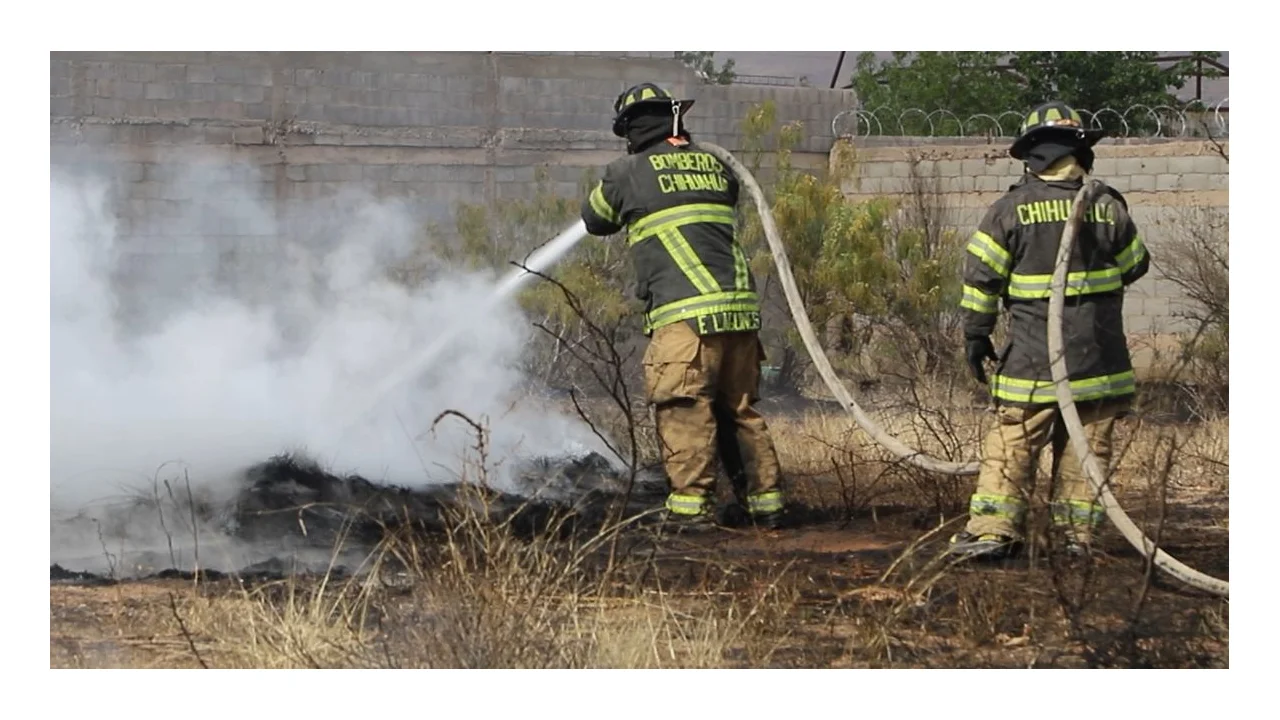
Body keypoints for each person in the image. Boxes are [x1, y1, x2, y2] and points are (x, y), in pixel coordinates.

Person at [949, 101, 1151, 560]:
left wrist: (976, 335)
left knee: (1013, 442)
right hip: (1100, 363)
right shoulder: (1107, 205)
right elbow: (1135, 265)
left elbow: (981, 279)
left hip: (1034, 361)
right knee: (1087, 451)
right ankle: (1075, 540)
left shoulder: (1010, 210)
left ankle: (993, 533)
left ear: (1032, 155)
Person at [579, 82, 785, 531]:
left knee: (684, 408)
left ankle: (690, 513)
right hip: (740, 315)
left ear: (632, 127)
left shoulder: (626, 172)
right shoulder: (717, 165)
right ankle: (766, 506)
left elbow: (595, 220)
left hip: (685, 316)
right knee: (739, 412)